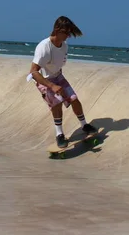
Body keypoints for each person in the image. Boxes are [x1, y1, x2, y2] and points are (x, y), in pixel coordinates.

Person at [29, 16, 97, 148]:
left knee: (74, 99)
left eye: (69, 33)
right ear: (57, 30)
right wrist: (51, 86)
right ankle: (59, 134)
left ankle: (84, 125)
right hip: (43, 80)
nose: (68, 36)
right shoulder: (44, 47)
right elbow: (33, 72)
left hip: (58, 76)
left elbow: (57, 65)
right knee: (57, 103)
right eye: (66, 32)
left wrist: (57, 82)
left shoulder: (64, 46)